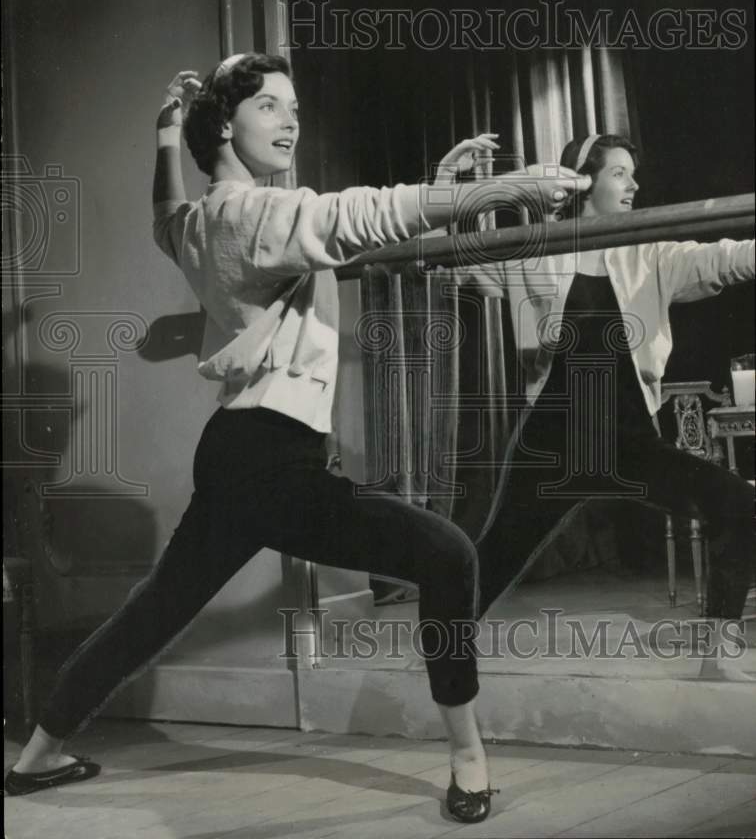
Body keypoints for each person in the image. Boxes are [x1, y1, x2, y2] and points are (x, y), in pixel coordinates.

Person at [5, 52, 588, 823]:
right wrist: (502, 190)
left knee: (155, 611)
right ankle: (469, 760)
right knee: (448, 554)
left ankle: (37, 756)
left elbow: (162, 218)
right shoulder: (255, 215)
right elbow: (359, 216)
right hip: (277, 460)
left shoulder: (204, 221)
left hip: (236, 453)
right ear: (226, 124)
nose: (291, 121)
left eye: (294, 108)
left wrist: (162, 138)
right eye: (271, 107)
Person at [447, 134, 754, 657]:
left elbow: (724, 258)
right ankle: (442, 651)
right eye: (619, 173)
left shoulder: (652, 252)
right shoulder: (535, 250)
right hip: (553, 444)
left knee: (739, 505)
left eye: (633, 173)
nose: (634, 184)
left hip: (631, 443)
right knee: (493, 557)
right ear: (584, 181)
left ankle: (716, 651)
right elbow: (457, 256)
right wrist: (448, 184)